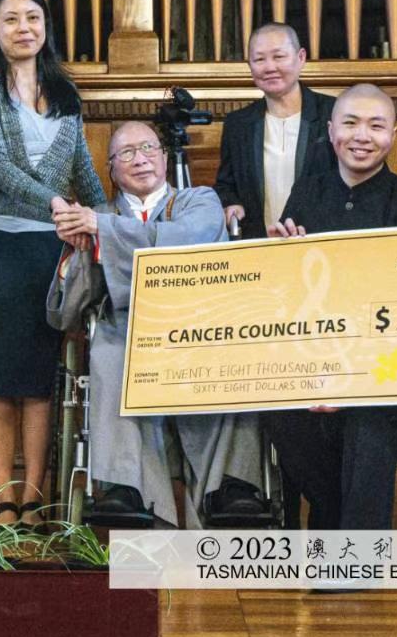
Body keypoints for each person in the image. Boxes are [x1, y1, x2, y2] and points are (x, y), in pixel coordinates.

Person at [53, 122, 269, 527]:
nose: (141, 159)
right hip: (128, 327)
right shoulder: (99, 214)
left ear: (165, 158)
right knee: (110, 355)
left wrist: (106, 234)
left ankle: (230, 485)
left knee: (233, 353)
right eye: (127, 153)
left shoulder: (198, 201)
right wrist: (78, 253)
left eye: (149, 148)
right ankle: (125, 487)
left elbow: (190, 239)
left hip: (198, 324)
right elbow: (71, 308)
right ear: (111, 168)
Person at [266, 83, 397, 530]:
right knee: (277, 408)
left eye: (376, 125)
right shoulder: (307, 193)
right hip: (314, 356)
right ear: (332, 131)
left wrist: (350, 379)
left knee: (368, 414)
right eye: (350, 123)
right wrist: (281, 258)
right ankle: (333, 521)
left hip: (388, 363)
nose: (362, 136)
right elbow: (290, 295)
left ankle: (358, 547)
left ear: (393, 136)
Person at [0, 0, 106, 525]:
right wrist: (55, 203)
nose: (24, 28)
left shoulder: (65, 93)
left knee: (38, 379)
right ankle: (4, 497)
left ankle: (34, 496)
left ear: (46, 27)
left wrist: (108, 220)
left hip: (47, 248)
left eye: (33, 18)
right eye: (11, 19)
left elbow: (82, 169)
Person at [214, 23, 335, 240]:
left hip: (322, 243)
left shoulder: (334, 113)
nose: (269, 67)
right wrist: (230, 202)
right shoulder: (237, 124)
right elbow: (226, 185)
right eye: (259, 59)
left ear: (301, 57)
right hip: (259, 244)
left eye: (279, 57)